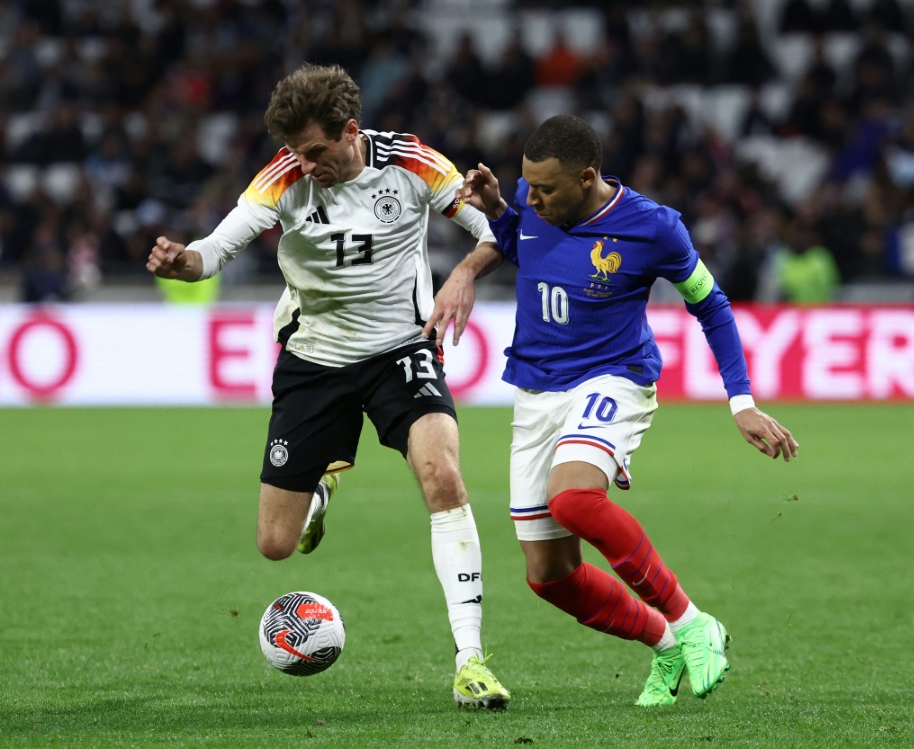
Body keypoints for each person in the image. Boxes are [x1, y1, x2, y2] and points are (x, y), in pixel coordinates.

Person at [146, 64, 510, 709]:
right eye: (295, 153)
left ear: (350, 131)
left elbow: (497, 233)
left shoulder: (415, 164)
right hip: (314, 359)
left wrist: (464, 274)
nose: (305, 165)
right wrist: (183, 263)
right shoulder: (281, 179)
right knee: (276, 545)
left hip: (401, 348)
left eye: (315, 151)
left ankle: (470, 659)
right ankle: (318, 491)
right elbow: (213, 251)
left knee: (443, 478)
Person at [425, 115, 799, 707]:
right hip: (536, 390)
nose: (534, 197)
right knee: (548, 576)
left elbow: (713, 306)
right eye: (527, 186)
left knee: (573, 500)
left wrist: (742, 401)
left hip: (612, 377)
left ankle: (693, 619)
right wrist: (499, 211)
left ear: (588, 177)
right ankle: (668, 641)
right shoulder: (532, 202)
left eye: (545, 189)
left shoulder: (654, 228)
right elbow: (523, 239)